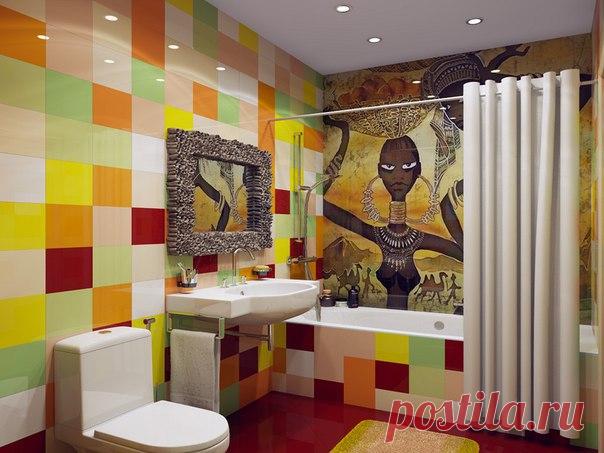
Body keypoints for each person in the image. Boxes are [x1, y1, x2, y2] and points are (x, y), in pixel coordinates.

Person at [323, 116, 463, 309]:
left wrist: (447, 205)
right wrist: (342, 145)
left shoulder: (419, 239)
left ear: (418, 170)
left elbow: (467, 254)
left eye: (407, 168)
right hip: (385, 323)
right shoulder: (376, 234)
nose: (398, 176)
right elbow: (321, 205)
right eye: (389, 168)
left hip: (405, 324)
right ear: (380, 172)